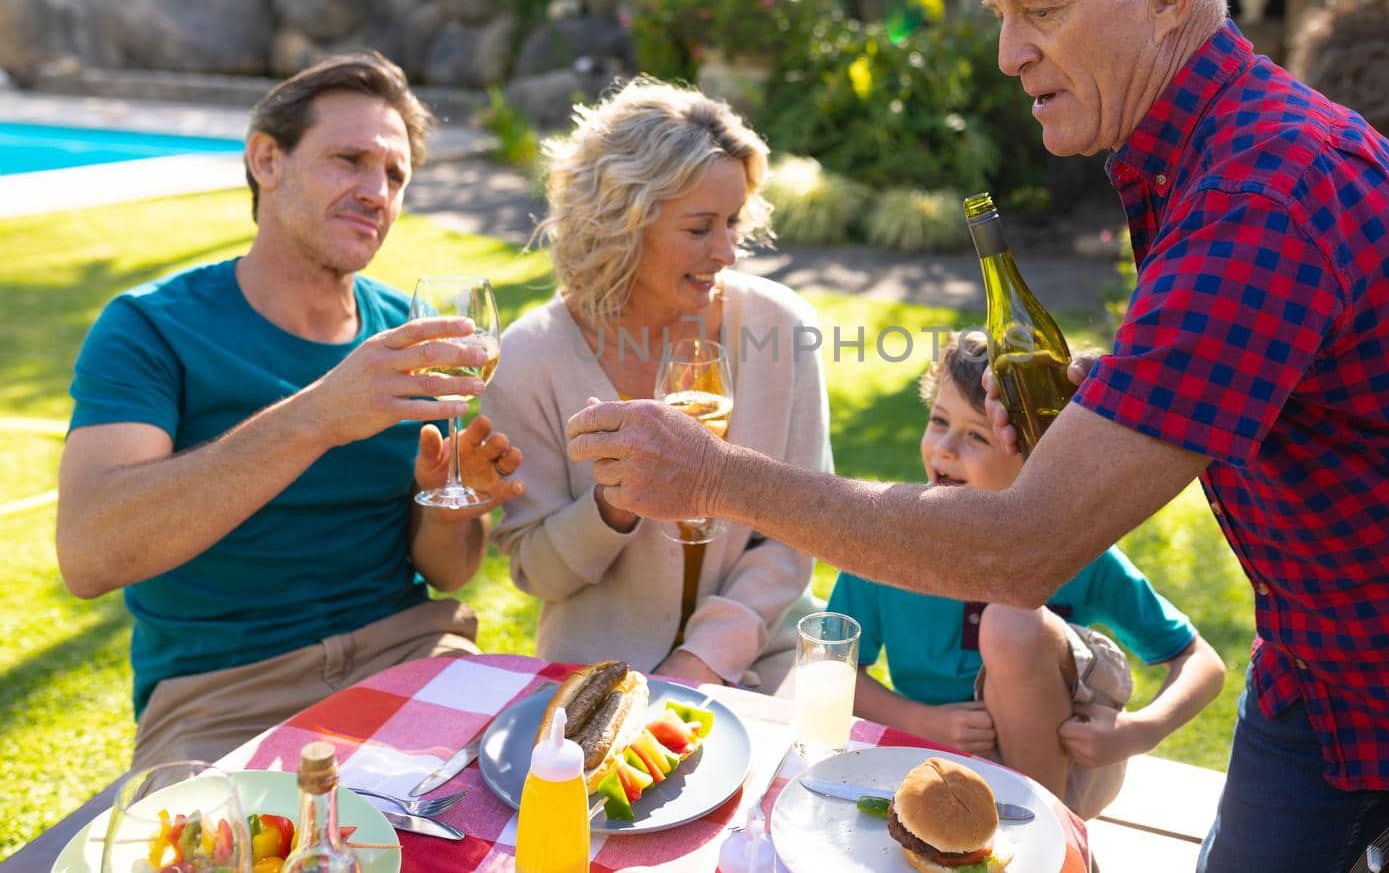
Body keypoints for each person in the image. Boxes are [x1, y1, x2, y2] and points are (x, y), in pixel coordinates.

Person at [567, 0, 1389, 872]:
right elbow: (1266, 383)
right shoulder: (1210, 158)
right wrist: (1113, 391)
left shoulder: (1264, 192)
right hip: (1329, 664)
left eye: (1041, 9)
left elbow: (1025, 547)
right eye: (1001, 16)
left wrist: (710, 474)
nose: (1009, 52)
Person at [57, 52, 525, 770]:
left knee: (524, 809)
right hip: (222, 692)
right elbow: (89, 553)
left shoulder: (410, 330)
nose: (377, 192)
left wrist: (450, 505)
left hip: (406, 651)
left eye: (394, 175)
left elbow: (450, 569)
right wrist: (321, 414)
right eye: (349, 159)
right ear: (267, 161)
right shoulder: (149, 329)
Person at [483, 77, 827, 694]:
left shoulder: (780, 328)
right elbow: (536, 570)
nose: (726, 251)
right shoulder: (528, 359)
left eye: (733, 222)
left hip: (768, 655)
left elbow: (797, 531)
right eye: (699, 229)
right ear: (620, 224)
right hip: (597, 673)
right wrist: (611, 504)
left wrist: (699, 663)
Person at [828, 332, 1224, 818]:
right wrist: (921, 720)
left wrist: (1136, 732)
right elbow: (832, 668)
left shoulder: (1076, 547)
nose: (946, 448)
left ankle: (1053, 841)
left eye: (977, 435)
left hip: (1065, 774)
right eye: (938, 421)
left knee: (1012, 622)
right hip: (935, 762)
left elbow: (1201, 662)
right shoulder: (890, 539)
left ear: (1039, 452)